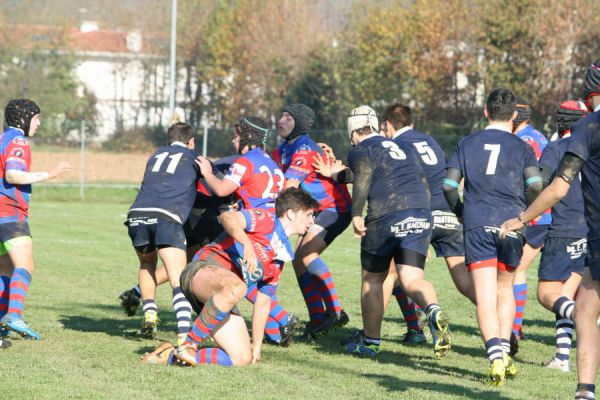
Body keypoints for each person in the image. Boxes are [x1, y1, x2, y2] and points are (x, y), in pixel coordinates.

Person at [500, 59, 600, 400]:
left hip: (585, 232)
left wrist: (523, 217)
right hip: (588, 236)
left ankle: (585, 390)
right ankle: (580, 384)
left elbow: (556, 187)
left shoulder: (587, 129)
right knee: (584, 304)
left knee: (572, 303)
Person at [334, 105, 451, 359]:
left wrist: (356, 214)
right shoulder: (402, 146)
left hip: (386, 215)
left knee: (372, 279)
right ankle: (432, 310)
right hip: (421, 211)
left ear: (353, 131)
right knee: (411, 280)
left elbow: (364, 173)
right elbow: (420, 180)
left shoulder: (360, 148)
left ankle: (371, 342)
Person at [444, 88, 542, 385]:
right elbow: (536, 184)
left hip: (477, 223)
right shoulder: (522, 146)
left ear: (485, 112)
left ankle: (496, 358)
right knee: (505, 289)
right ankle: (505, 351)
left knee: (485, 296)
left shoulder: (466, 142)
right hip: (510, 224)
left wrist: (463, 211)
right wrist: (524, 213)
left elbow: (449, 186)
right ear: (514, 116)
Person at [173, 188, 318, 367]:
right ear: (290, 214)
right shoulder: (266, 220)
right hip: (201, 270)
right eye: (309, 214)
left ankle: (169, 357)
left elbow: (263, 302)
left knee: (242, 358)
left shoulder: (282, 253)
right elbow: (228, 217)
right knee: (238, 288)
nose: (312, 221)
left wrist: (256, 346)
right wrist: (247, 243)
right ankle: (189, 343)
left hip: (223, 297)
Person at [379, 103, 474, 345]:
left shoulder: (396, 145)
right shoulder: (429, 140)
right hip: (449, 214)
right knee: (465, 281)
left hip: (420, 216)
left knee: (391, 273)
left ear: (388, 125)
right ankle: (502, 329)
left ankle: (372, 335)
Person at [272, 103, 351, 338]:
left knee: (307, 255)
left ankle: (336, 311)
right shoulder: (283, 148)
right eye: (281, 114)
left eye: (288, 117)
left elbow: (289, 186)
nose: (281, 120)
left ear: (300, 123)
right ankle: (318, 318)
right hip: (318, 210)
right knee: (299, 260)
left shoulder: (304, 149)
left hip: (335, 208)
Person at [0, 99, 71, 342]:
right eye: (37, 117)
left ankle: (1, 324)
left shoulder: (1, 139)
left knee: (5, 269)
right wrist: (50, 174)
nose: (39, 123)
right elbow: (13, 173)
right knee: (25, 266)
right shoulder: (18, 141)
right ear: (23, 118)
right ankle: (14, 315)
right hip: (10, 211)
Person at [125, 122, 197, 344]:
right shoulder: (194, 157)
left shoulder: (156, 155)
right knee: (179, 276)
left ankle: (149, 313)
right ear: (191, 141)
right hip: (167, 215)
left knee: (147, 263)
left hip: (137, 213)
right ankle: (184, 333)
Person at [536, 100, 589, 372]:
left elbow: (539, 183)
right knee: (566, 294)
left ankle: (585, 320)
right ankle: (562, 358)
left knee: (547, 293)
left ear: (559, 123)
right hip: (592, 230)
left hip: (565, 230)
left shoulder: (556, 149)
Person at [510, 96, 551, 353]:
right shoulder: (538, 135)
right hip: (544, 215)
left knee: (516, 271)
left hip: (535, 217)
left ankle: (514, 329)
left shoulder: (524, 141)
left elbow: (532, 181)